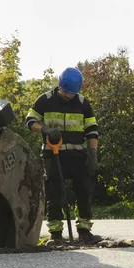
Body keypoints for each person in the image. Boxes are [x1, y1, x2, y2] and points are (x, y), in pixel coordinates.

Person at [25, 67, 101, 245]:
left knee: (84, 191)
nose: (69, 96)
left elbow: (92, 131)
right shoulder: (45, 100)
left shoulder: (83, 103)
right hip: (52, 155)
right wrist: (44, 128)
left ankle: (84, 232)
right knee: (54, 194)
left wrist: (93, 154)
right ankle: (56, 235)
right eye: (66, 92)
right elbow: (30, 121)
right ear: (59, 85)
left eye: (72, 93)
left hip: (78, 156)